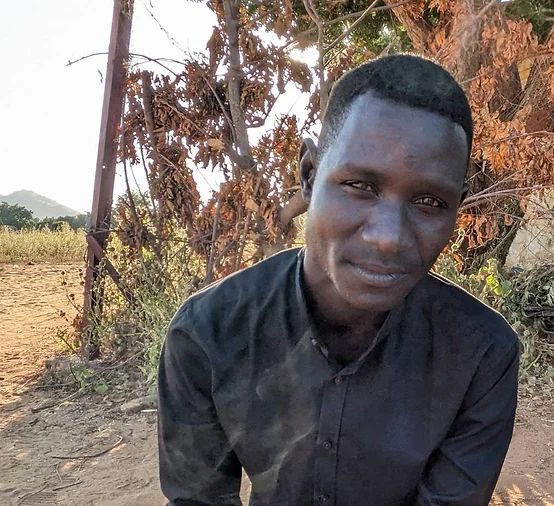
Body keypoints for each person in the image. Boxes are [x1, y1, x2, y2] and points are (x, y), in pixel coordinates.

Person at [157, 54, 519, 506]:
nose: (388, 237)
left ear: (456, 209)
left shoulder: (480, 354)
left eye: (429, 202)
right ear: (309, 175)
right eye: (360, 186)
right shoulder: (208, 333)